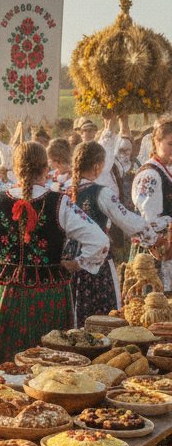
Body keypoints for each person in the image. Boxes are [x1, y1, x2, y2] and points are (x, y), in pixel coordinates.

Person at [0, 142, 110, 374]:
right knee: (49, 366)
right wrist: (77, 263)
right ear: (46, 170)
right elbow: (100, 240)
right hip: (48, 292)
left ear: (15, 170)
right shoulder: (60, 203)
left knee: (0, 363)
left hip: (5, 291)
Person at [69, 141, 169, 321]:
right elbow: (127, 220)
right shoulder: (100, 193)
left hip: (69, 261)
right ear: (97, 166)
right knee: (103, 317)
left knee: (75, 313)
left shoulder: (64, 191)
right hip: (95, 261)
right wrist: (154, 238)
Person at [131, 118, 172, 290]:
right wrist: (158, 241)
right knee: (152, 305)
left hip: (165, 246)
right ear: (156, 141)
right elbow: (147, 218)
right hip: (154, 250)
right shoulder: (150, 174)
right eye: (170, 143)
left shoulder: (165, 169)